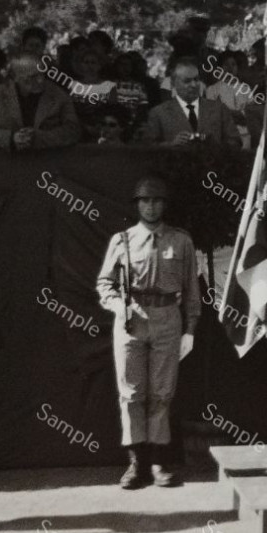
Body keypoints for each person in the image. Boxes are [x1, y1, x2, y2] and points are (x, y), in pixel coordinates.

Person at [94, 175, 201, 489]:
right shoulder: (123, 240)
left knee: (162, 393)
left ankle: (158, 462)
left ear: (164, 204)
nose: (151, 206)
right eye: (145, 201)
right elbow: (105, 284)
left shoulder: (181, 241)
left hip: (169, 318)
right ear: (137, 204)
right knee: (131, 393)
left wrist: (190, 330)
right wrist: (118, 306)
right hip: (132, 319)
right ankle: (136, 464)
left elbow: (192, 290)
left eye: (156, 201)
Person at [0, 51, 83, 152]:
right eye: (33, 77)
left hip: (47, 162)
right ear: (15, 78)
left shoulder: (58, 95)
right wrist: (10, 138)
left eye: (42, 74)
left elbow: (73, 131)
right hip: (8, 166)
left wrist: (39, 138)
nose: (40, 80)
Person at [141, 56, 244, 147]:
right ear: (173, 83)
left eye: (196, 79)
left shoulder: (219, 109)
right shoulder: (159, 113)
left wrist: (215, 145)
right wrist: (171, 145)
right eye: (187, 81)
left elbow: (235, 141)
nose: (194, 85)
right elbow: (148, 148)